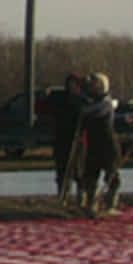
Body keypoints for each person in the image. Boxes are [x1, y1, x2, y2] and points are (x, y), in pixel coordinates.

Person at [74, 71, 123, 217]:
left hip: (108, 145)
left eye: (93, 84)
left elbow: (89, 112)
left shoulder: (106, 103)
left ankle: (110, 204)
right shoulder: (91, 101)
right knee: (91, 175)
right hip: (94, 145)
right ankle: (91, 204)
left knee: (111, 175)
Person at [40, 73, 85, 206]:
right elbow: (45, 107)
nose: (71, 86)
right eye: (69, 83)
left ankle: (81, 197)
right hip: (62, 139)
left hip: (77, 140)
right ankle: (62, 197)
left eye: (74, 84)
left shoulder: (81, 99)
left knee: (78, 170)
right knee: (62, 170)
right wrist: (45, 96)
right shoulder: (60, 98)